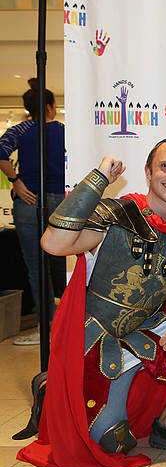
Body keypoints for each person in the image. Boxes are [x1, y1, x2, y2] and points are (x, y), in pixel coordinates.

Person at [17, 138, 166, 467]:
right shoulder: (116, 215)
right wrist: (99, 177)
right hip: (97, 339)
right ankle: (51, 389)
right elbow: (53, 242)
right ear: (148, 172)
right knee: (112, 442)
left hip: (145, 330)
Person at [0, 79, 67, 346]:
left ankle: (47, 328)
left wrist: (16, 181)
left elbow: (1, 153)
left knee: (36, 267)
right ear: (50, 107)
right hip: (61, 202)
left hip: (28, 201)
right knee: (63, 263)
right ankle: (70, 323)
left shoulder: (21, 130)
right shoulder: (64, 131)